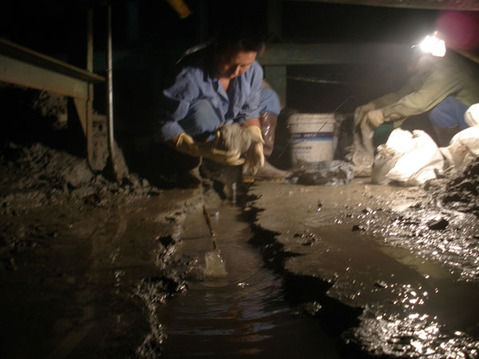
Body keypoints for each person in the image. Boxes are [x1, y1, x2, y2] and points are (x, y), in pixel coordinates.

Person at [153, 28, 289, 187]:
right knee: (201, 112)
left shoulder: (253, 71)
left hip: (227, 118)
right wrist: (194, 148)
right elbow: (162, 123)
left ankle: (254, 163)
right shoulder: (188, 76)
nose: (236, 72)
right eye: (230, 63)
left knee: (268, 98)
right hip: (200, 127)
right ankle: (192, 165)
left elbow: (249, 111)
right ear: (216, 50)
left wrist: (255, 138)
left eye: (244, 65)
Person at [352, 35, 479, 175]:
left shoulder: (447, 70)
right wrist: (374, 105)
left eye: (411, 64)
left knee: (439, 108)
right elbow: (401, 95)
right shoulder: (425, 73)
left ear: (424, 57)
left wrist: (382, 115)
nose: (409, 69)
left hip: (473, 122)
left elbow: (419, 102)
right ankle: (450, 154)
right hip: (461, 117)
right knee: (422, 109)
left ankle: (452, 155)